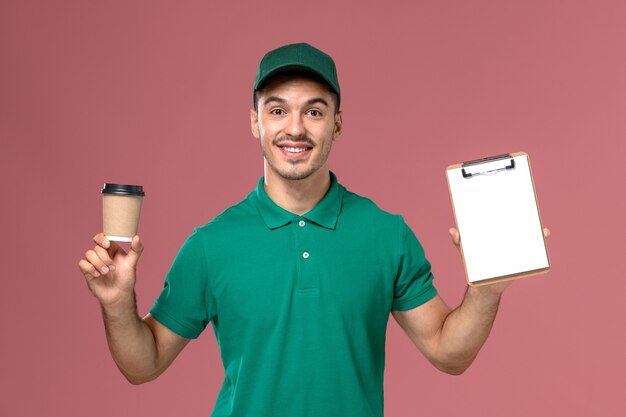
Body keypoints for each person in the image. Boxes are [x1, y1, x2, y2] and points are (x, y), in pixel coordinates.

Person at [78, 43, 550, 416]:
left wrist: (487, 289)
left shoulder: (385, 234)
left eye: (315, 111)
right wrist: (119, 304)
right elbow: (144, 364)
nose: (295, 128)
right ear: (255, 122)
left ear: (337, 123)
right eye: (277, 110)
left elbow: (449, 353)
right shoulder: (211, 244)